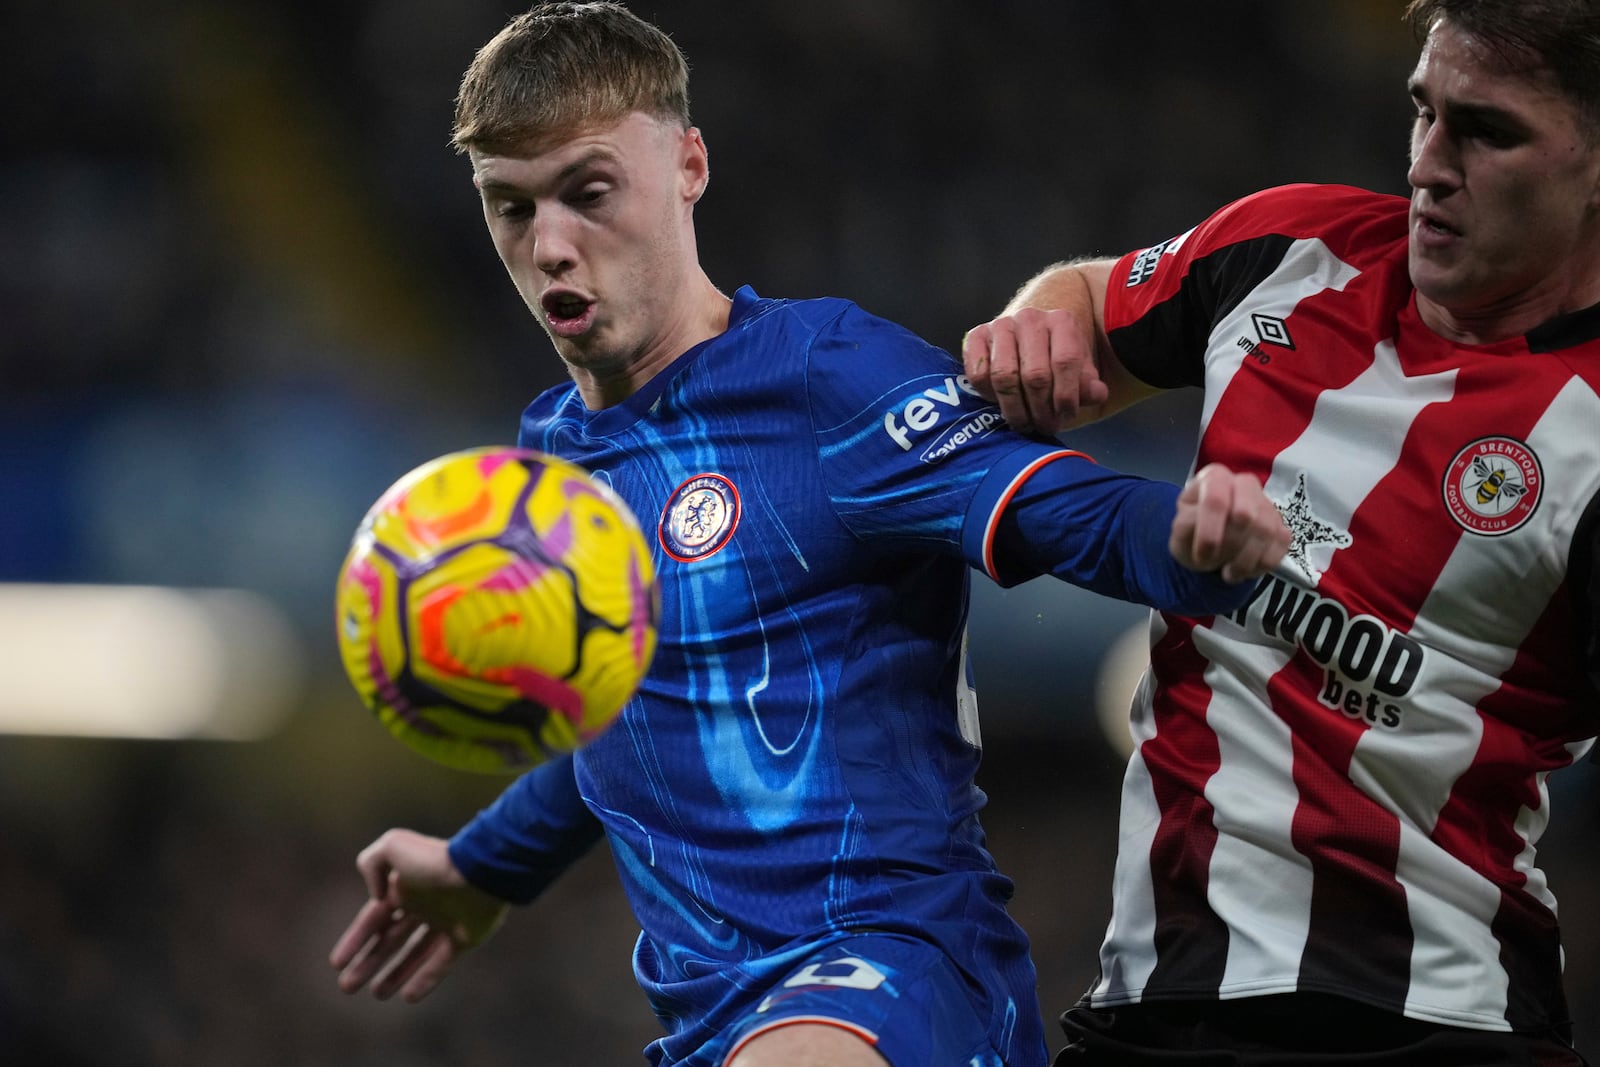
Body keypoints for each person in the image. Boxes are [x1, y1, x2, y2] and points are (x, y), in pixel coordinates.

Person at [327, 5, 1291, 1066]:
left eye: (588, 192)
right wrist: (482, 866)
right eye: (510, 207)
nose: (549, 243)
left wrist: (1195, 541)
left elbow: (1065, 507)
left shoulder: (827, 377)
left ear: (688, 164)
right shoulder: (549, 468)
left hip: (897, 978)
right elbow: (628, 709)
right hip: (715, 1023)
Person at [961, 1, 1600, 1063]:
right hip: (1156, 1003)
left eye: (1486, 131)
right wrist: (1034, 329)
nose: (1429, 166)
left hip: (1436, 1023)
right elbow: (1077, 300)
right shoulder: (1291, 249)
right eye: (1422, 113)